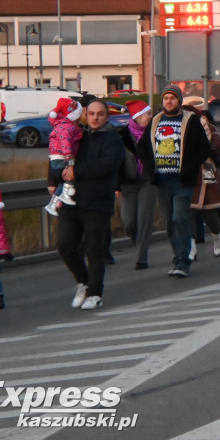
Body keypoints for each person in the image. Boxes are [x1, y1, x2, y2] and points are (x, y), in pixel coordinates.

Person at [136, 86, 211, 279]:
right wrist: (150, 166)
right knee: (169, 222)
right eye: (166, 98)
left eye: (172, 98)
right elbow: (142, 147)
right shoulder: (156, 121)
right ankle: (177, 256)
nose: (169, 102)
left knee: (180, 218)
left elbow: (204, 147)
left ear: (179, 101)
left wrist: (191, 167)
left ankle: (183, 262)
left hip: (182, 181)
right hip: (161, 181)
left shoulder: (190, 120)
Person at [57, 99, 125, 308]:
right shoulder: (78, 136)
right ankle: (85, 282)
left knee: (93, 249)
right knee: (65, 247)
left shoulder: (113, 140)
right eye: (92, 113)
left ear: (107, 116)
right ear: (85, 114)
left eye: (100, 114)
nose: (95, 117)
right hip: (72, 201)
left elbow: (108, 165)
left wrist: (78, 170)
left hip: (97, 203)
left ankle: (95, 294)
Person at [118, 100, 157, 270]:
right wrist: (116, 185)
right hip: (128, 182)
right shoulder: (122, 136)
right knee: (129, 222)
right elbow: (116, 162)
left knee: (144, 219)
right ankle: (138, 243)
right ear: (137, 117)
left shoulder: (155, 133)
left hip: (148, 181)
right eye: (147, 114)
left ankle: (142, 257)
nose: (150, 117)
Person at [190, 109, 220, 258]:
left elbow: (217, 147)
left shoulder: (210, 129)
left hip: (207, 171)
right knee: (190, 209)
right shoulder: (182, 129)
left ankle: (217, 235)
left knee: (209, 211)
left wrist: (205, 149)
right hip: (190, 172)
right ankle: (191, 244)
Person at [45, 97, 84, 215]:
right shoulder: (66, 127)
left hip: (57, 158)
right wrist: (69, 159)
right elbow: (65, 143)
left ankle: (54, 204)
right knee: (70, 176)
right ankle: (65, 196)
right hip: (62, 157)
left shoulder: (62, 125)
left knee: (63, 182)